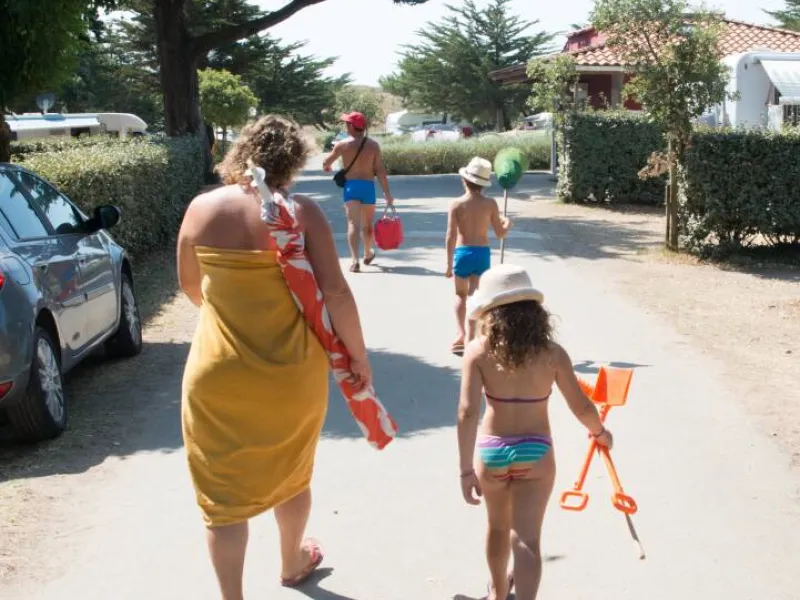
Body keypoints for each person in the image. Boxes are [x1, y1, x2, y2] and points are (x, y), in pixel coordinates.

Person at [177, 115, 372, 600]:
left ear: (239, 154)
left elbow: (191, 287)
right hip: (293, 374)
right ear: (294, 161)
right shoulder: (302, 213)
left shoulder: (202, 208)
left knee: (222, 500)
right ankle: (292, 562)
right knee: (291, 472)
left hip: (217, 374)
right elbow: (336, 293)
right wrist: (357, 357)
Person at [456, 265, 614, 600]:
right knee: (527, 538)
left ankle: (499, 594)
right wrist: (600, 432)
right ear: (535, 312)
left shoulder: (477, 352)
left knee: (498, 527)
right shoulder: (553, 354)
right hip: (536, 450)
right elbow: (581, 406)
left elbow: (467, 413)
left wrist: (466, 470)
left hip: (493, 450)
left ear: (489, 313)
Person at [445, 156, 512, 355]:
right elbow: (500, 233)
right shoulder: (490, 204)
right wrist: (508, 223)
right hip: (481, 254)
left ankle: (460, 334)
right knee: (475, 295)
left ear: (464, 180)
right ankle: (471, 336)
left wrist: (448, 264)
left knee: (460, 295)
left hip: (462, 253)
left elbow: (450, 235)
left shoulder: (456, 204)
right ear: (483, 185)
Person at [322, 111, 395, 273]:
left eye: (346, 124)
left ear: (351, 126)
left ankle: (355, 261)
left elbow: (326, 162)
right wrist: (387, 193)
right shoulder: (373, 145)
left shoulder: (342, 144)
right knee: (367, 225)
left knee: (353, 224)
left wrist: (327, 167)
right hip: (368, 187)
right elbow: (380, 170)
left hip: (351, 187)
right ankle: (368, 254)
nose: (345, 126)